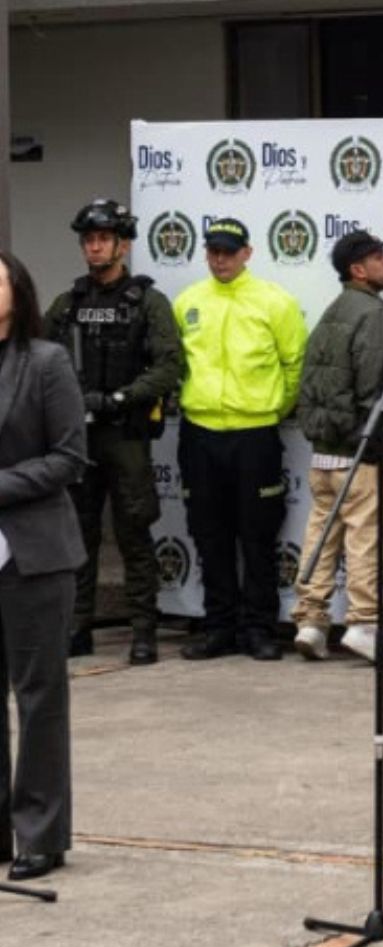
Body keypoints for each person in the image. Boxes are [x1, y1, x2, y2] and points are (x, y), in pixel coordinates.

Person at [44, 199, 180, 666]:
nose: (94, 247)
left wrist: (119, 399)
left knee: (134, 533)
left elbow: (169, 367)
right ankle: (77, 627)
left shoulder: (148, 302)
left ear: (122, 244)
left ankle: (144, 632)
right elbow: (42, 361)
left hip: (124, 435)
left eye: (103, 239)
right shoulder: (67, 304)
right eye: (89, 240)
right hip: (76, 440)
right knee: (77, 536)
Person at [172, 218, 307, 662]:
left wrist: (271, 410)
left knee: (257, 535)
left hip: (254, 435)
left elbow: (294, 366)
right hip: (200, 433)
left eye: (229, 252)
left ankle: (259, 628)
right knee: (209, 535)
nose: (220, 259)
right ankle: (218, 626)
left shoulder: (274, 302)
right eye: (213, 251)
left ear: (247, 253)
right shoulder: (188, 302)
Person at [0, 253, 87, 882]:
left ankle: (41, 833)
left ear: (16, 292)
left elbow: (67, 458)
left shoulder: (46, 362)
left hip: (33, 554)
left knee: (39, 696)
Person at [290, 230, 383, 665]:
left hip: (322, 453)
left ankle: (311, 622)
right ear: (358, 269)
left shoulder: (331, 312)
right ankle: (364, 622)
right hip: (357, 452)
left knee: (321, 535)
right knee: (366, 537)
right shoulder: (373, 315)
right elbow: (373, 387)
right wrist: (375, 440)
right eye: (379, 257)